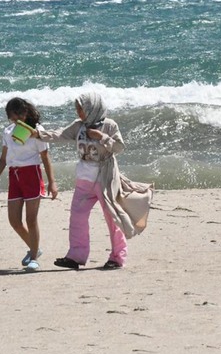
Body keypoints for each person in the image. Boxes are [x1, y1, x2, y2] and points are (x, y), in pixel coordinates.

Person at [35, 92, 150, 270]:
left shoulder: (109, 125)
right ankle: (75, 256)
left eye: (80, 108)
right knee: (77, 217)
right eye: (77, 109)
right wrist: (38, 134)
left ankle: (117, 258)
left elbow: (119, 147)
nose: (78, 112)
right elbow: (60, 135)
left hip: (104, 179)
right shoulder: (79, 126)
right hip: (84, 180)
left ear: (91, 108)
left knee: (112, 218)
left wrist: (102, 137)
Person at [0, 97, 58, 271]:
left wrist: (52, 182)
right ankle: (36, 248)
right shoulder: (8, 131)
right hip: (14, 175)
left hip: (31, 174)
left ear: (24, 113)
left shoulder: (37, 131)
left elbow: (45, 158)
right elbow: (4, 158)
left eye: (16, 117)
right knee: (14, 220)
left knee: (31, 219)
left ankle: (34, 258)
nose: (14, 121)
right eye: (12, 118)